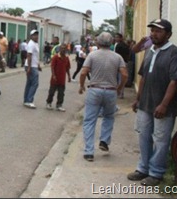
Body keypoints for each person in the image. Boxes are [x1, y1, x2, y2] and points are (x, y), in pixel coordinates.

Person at [127, 19, 177, 186]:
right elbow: (143, 76)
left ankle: (156, 173)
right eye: (152, 30)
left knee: (160, 139)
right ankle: (143, 168)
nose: (154, 33)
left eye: (158, 31)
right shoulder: (150, 50)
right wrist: (138, 99)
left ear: (168, 34)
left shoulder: (173, 52)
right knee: (144, 136)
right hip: (145, 104)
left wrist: (164, 104)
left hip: (163, 107)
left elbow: (174, 81)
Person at [78, 32, 128, 162]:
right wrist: (119, 87)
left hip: (95, 89)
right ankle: (104, 141)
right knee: (109, 117)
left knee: (89, 120)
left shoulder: (92, 55)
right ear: (111, 43)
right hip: (111, 90)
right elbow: (124, 74)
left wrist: (81, 85)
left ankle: (89, 151)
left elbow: (84, 72)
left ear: (98, 43)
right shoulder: (117, 57)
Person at [46, 44, 71, 112]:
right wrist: (53, 75)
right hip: (55, 79)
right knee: (51, 92)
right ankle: (49, 102)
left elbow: (67, 68)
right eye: (62, 48)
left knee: (61, 93)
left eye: (64, 48)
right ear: (60, 49)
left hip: (62, 79)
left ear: (66, 49)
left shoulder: (66, 58)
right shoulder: (56, 57)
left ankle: (59, 105)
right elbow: (52, 67)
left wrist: (69, 76)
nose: (63, 50)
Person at [23, 30, 42, 108]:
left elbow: (35, 56)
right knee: (35, 84)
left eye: (37, 35)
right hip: (31, 66)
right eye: (34, 35)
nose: (36, 36)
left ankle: (26, 100)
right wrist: (29, 68)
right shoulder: (31, 44)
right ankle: (29, 100)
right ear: (31, 36)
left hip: (34, 65)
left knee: (29, 83)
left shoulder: (35, 44)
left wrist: (38, 65)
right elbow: (29, 56)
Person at [114, 33, 131, 99]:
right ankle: (120, 93)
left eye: (117, 37)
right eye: (115, 37)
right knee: (119, 78)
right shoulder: (123, 45)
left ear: (121, 38)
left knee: (120, 78)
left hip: (120, 63)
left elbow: (117, 55)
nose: (116, 38)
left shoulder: (120, 45)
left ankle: (120, 93)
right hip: (123, 62)